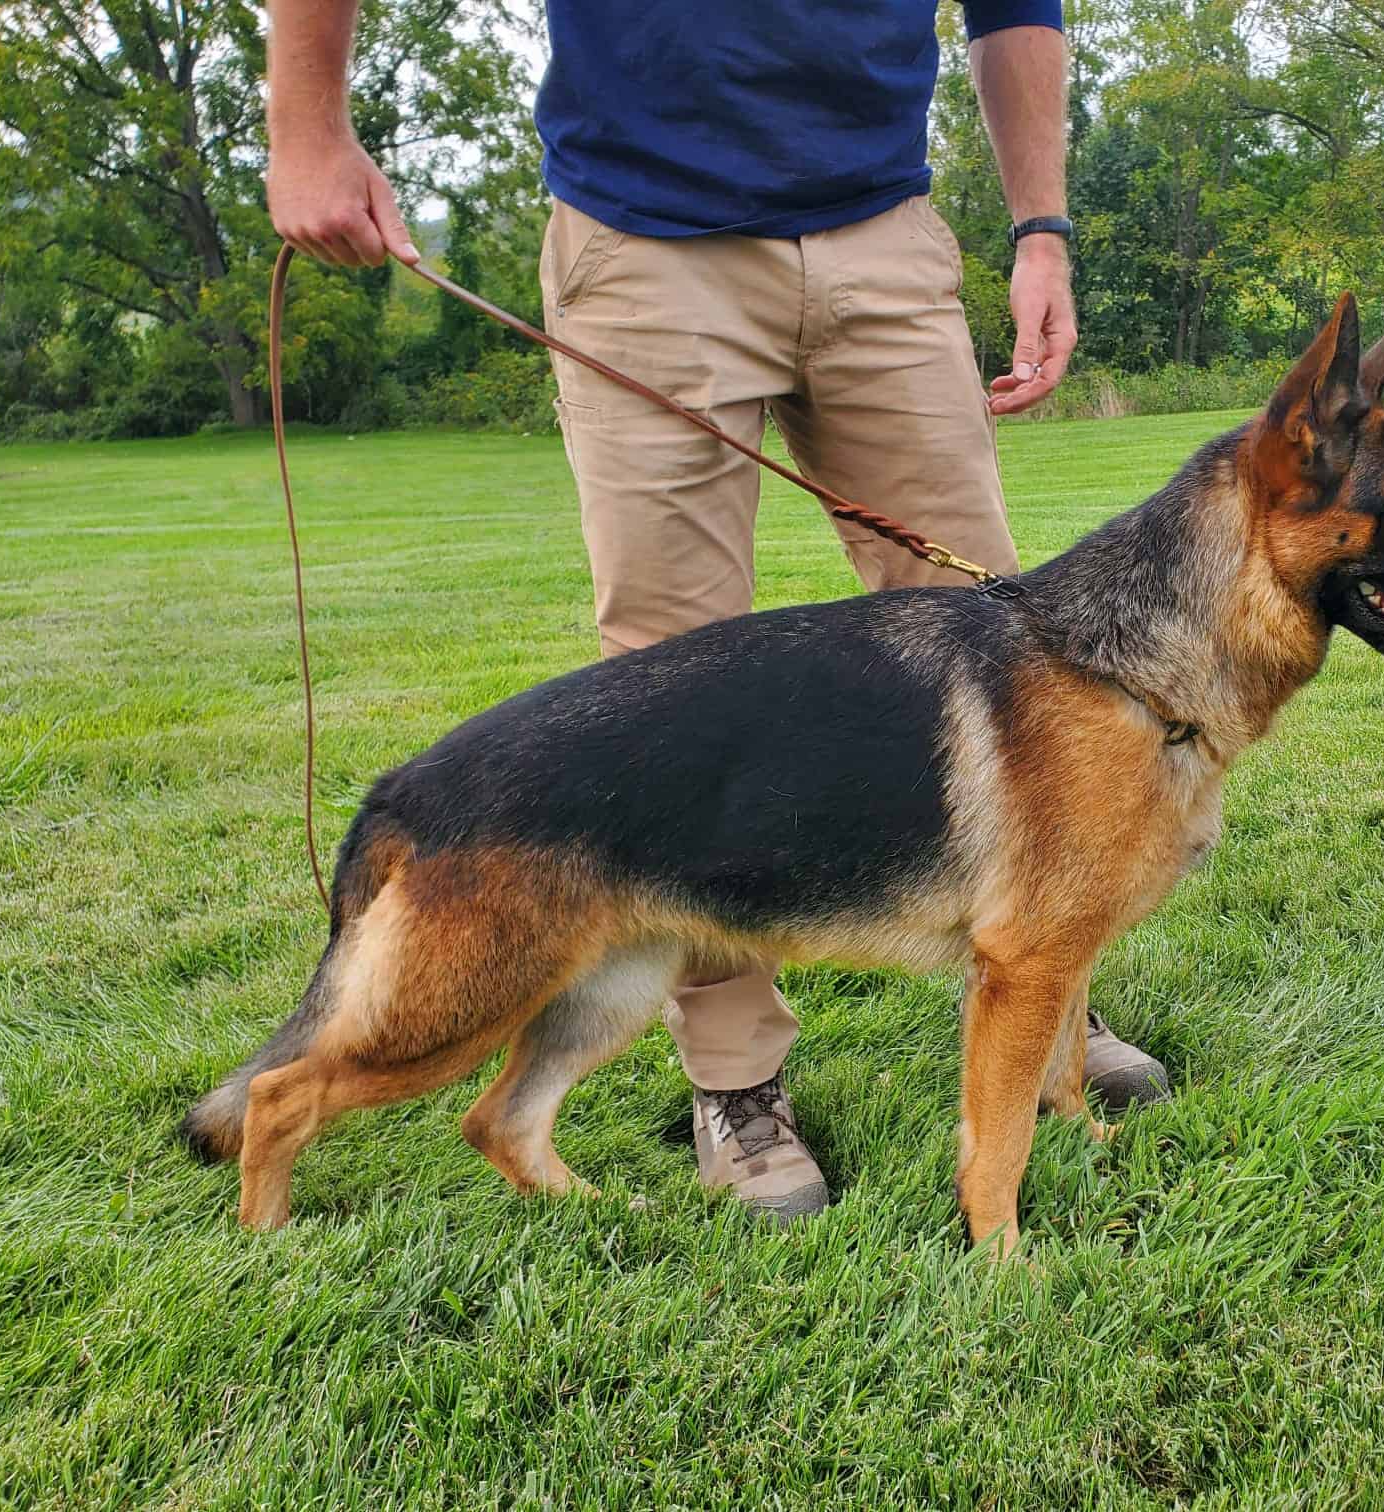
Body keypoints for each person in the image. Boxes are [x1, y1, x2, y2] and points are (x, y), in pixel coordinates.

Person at [264, 0, 1170, 1224]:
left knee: (1010, 648)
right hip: (646, 239)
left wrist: (1043, 230)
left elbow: (1016, 3)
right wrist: (307, 126)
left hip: (883, 229)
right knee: (669, 700)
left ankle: (1048, 1002)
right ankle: (739, 1085)